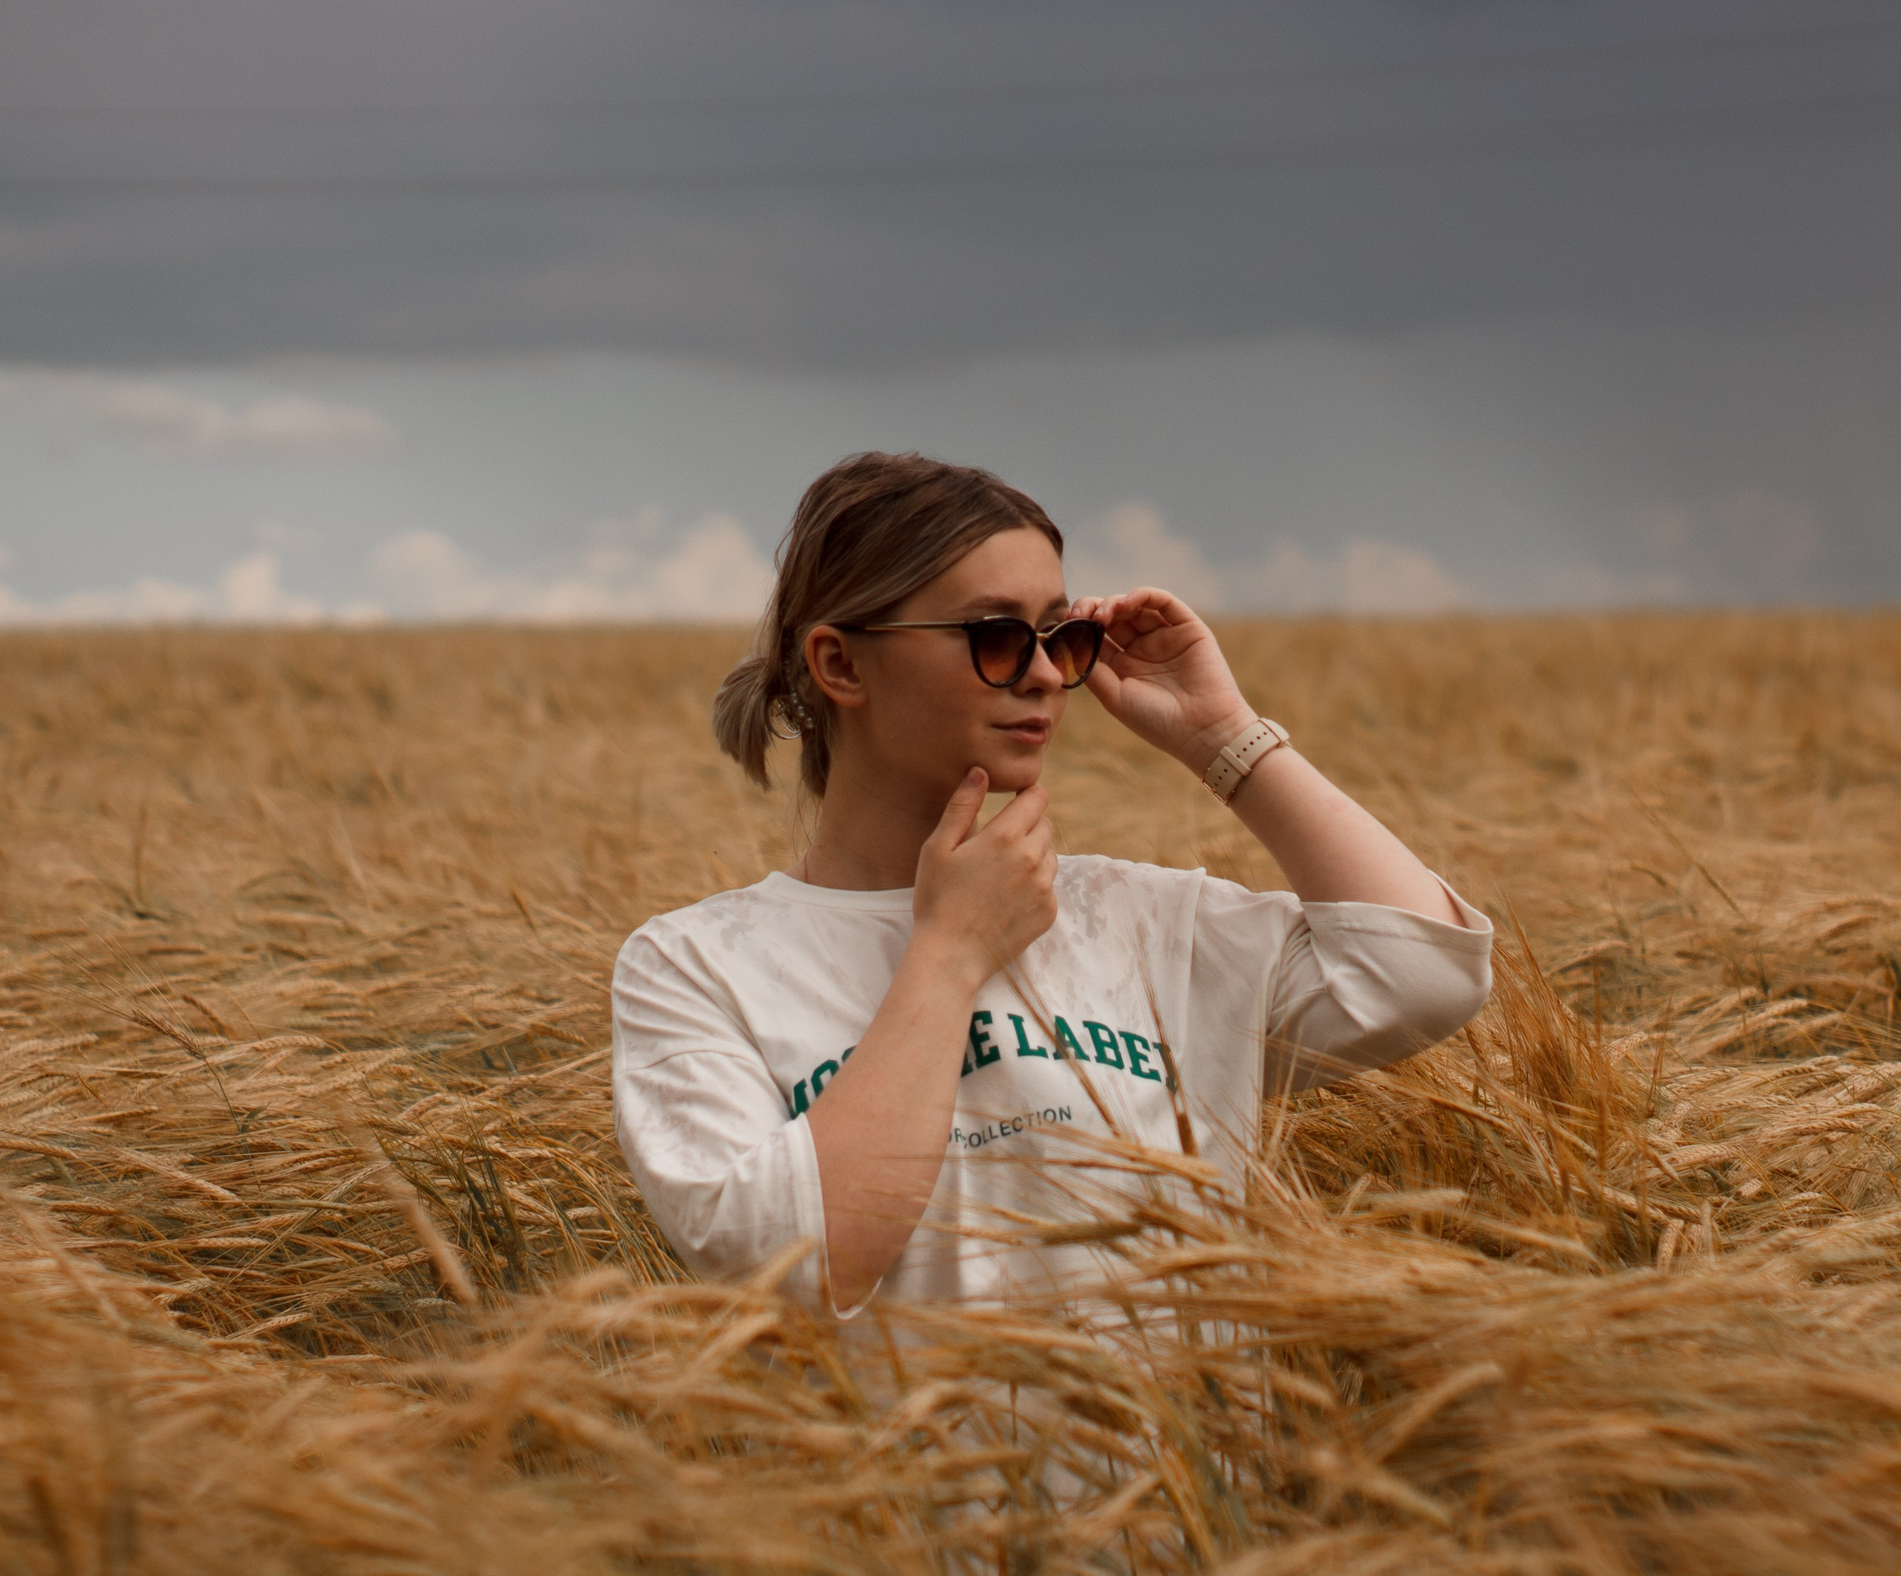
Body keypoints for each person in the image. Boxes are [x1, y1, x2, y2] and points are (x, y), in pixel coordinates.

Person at [612, 453, 1491, 1314]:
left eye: (1061, 636)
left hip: (1188, 1464)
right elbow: (798, 1261)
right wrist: (952, 953)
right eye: (994, 635)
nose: (1041, 672)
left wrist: (1222, 734)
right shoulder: (694, 968)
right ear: (841, 665)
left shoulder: (1141, 922)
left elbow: (1425, 972)